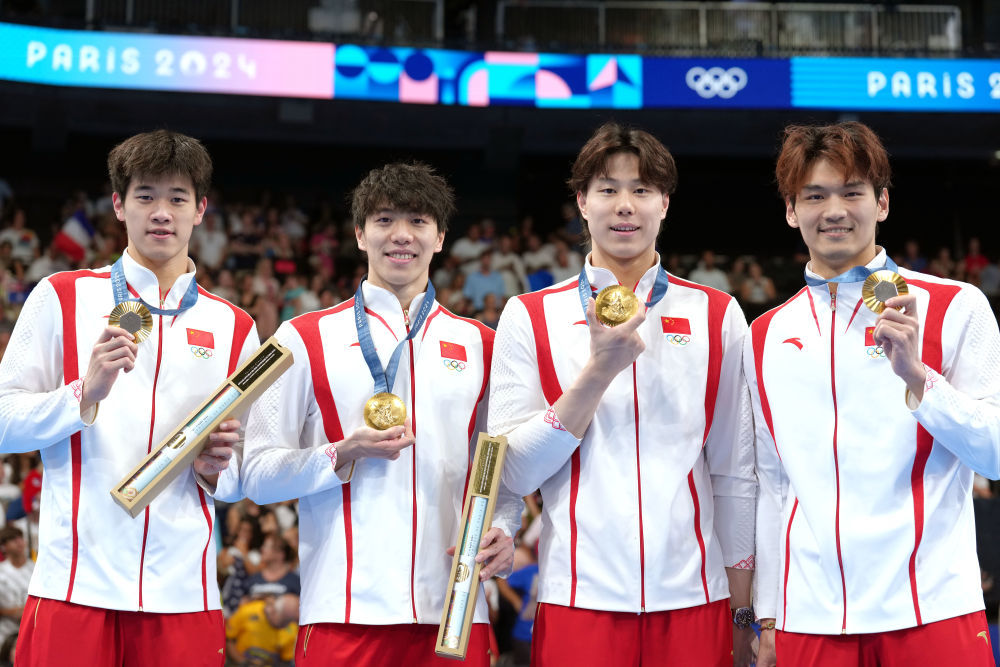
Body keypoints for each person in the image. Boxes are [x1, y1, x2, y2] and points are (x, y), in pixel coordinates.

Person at [489, 122, 757, 666]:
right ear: (582, 202)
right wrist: (597, 373)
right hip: (577, 596)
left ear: (664, 203)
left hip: (696, 596)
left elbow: (735, 471)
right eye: (608, 189)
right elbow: (513, 471)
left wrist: (743, 607)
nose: (625, 205)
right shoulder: (530, 315)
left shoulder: (717, 313)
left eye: (641, 189)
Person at [241, 162, 521, 666]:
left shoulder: (483, 344)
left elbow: (502, 471)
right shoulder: (301, 338)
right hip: (343, 612)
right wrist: (340, 454)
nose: (401, 235)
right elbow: (257, 475)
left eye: (418, 221)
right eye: (385, 220)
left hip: (455, 611)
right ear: (359, 234)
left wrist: (504, 526)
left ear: (440, 238)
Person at [0, 129, 260, 666]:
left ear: (200, 210)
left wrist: (217, 470)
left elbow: (242, 474)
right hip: (74, 585)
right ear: (119, 205)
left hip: (183, 594)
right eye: (145, 196)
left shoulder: (235, 327)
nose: (161, 212)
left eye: (178, 198)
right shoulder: (62, 296)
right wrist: (83, 394)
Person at [747, 121, 1000, 667]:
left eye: (852, 193)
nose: (834, 211)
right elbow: (772, 482)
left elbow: (995, 455)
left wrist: (919, 378)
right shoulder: (765, 334)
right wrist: (767, 613)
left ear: (882, 203)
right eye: (815, 196)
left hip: (931, 605)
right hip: (809, 616)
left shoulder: (957, 306)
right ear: (791, 210)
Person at [0, 527, 33, 647]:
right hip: (5, 632)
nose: (19, 542)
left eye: (20, 538)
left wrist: (27, 612)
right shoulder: (1, 571)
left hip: (31, 631)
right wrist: (15, 612)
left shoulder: (36, 569)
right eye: (13, 539)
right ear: (4, 546)